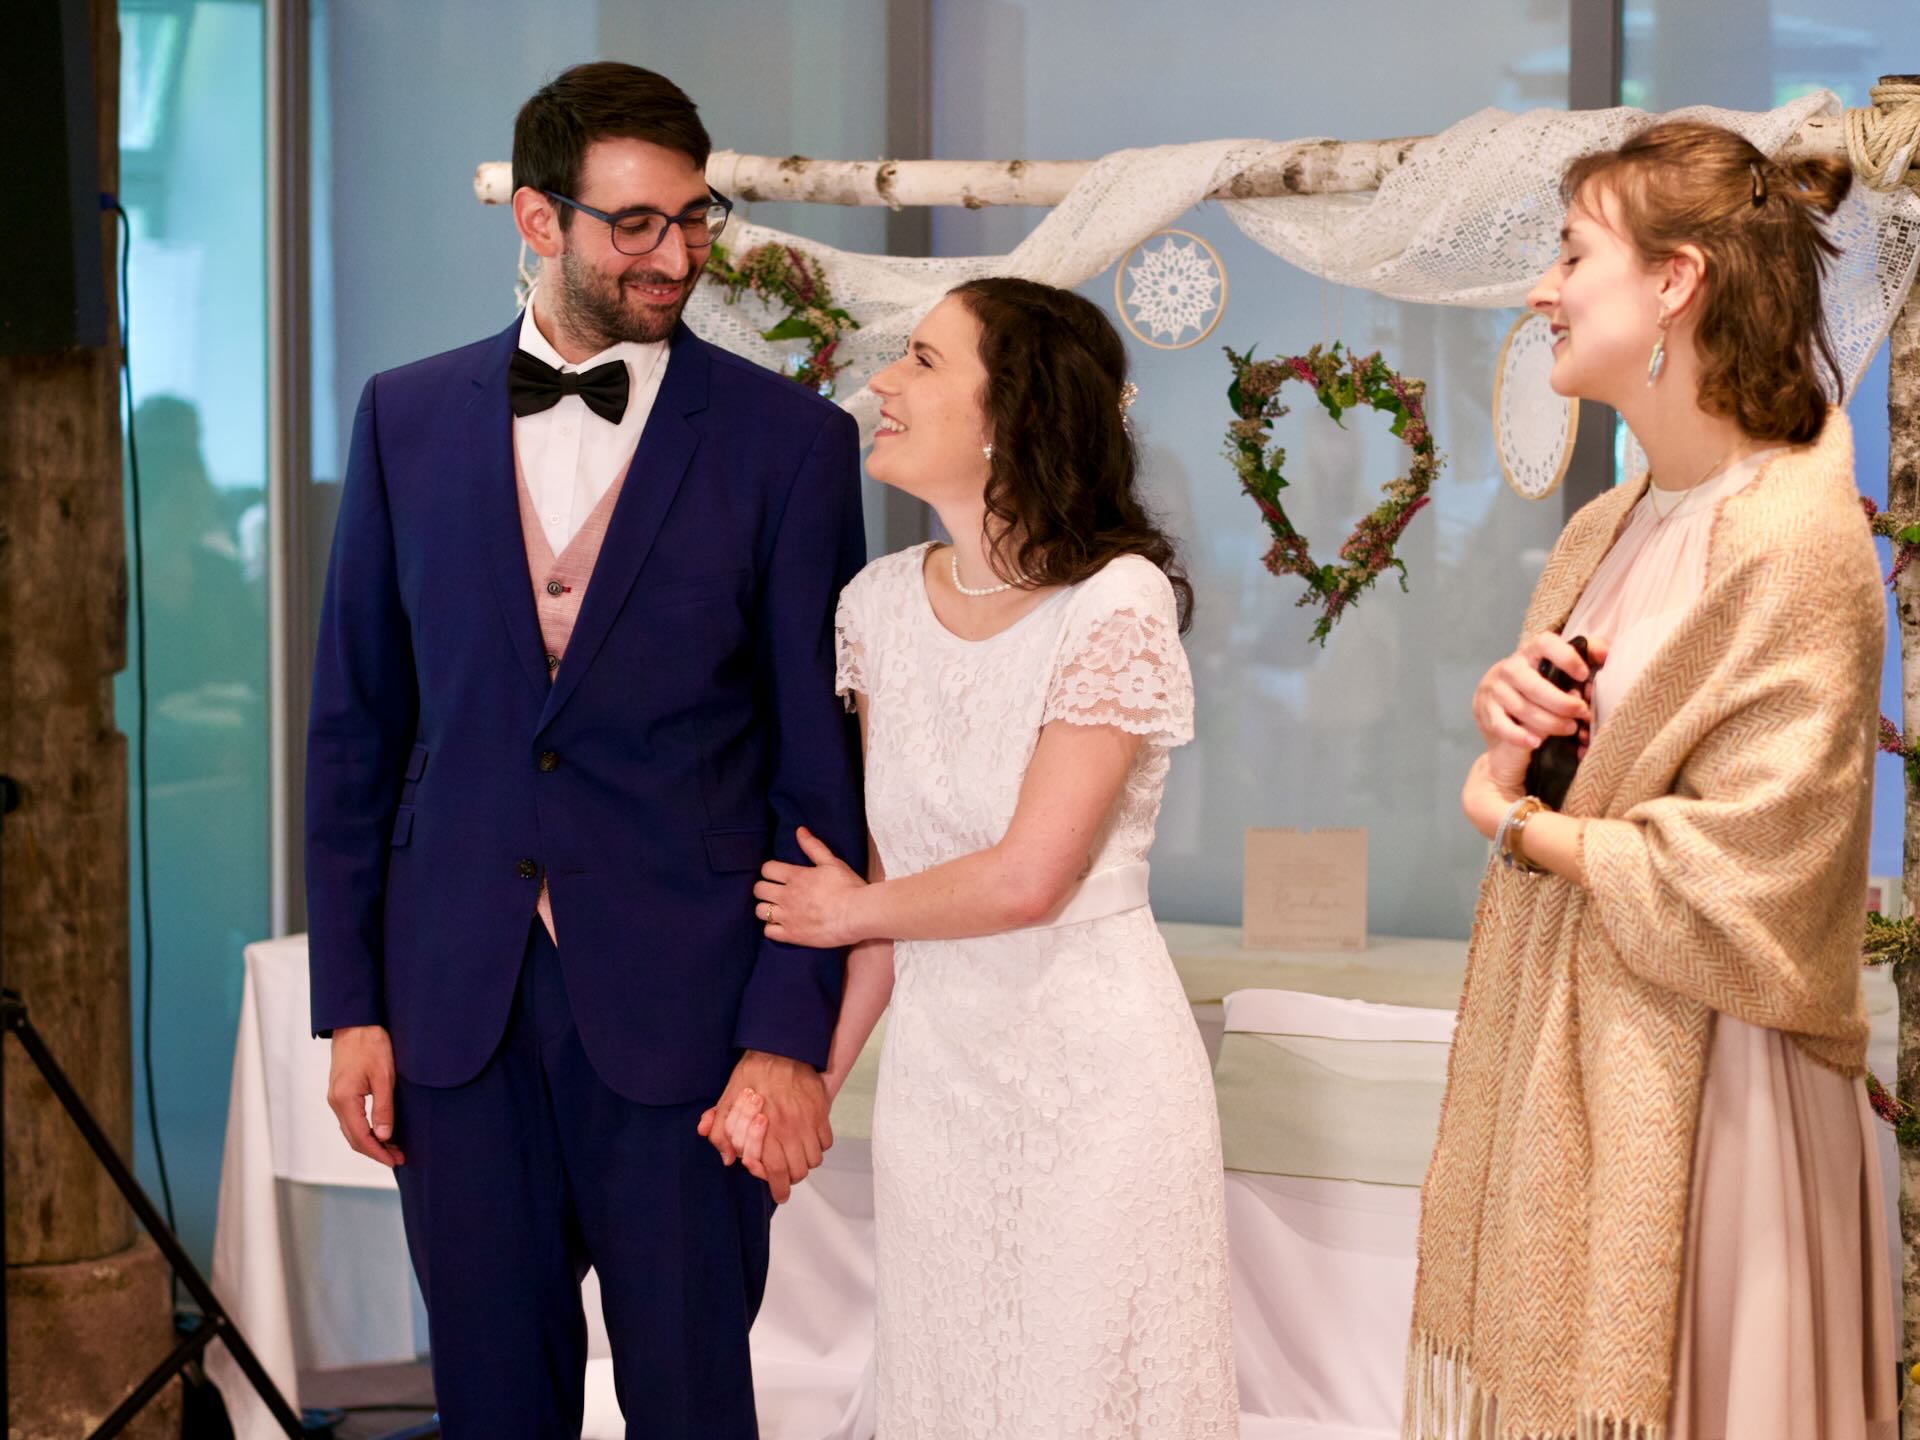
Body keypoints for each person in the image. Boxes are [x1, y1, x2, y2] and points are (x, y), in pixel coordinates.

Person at [305, 62, 865, 1437]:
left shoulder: (791, 446)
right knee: (492, 1405)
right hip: (457, 1010)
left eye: (695, 217)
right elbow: (356, 732)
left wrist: (784, 1036)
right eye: (636, 224)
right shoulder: (402, 418)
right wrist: (353, 1003)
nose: (676, 255)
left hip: (688, 1016)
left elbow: (816, 772)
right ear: (538, 219)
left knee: (692, 1404)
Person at [1407, 120, 1895, 1440]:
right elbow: (1602, 774)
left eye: (1574, 254)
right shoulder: (1605, 525)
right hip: (1593, 1056)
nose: (1542, 290)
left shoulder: (1794, 537)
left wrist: (1514, 823)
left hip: (1720, 1095)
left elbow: (1755, 875)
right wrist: (1517, 731)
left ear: (1676, 282)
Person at [721, 277, 1239, 1438]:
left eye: (920, 360)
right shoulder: (875, 608)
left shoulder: (1115, 601)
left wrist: (847, 912)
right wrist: (803, 1088)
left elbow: (1026, 877)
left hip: (1097, 1085)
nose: (882, 384)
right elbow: (883, 904)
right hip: (937, 1092)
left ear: (1014, 409)